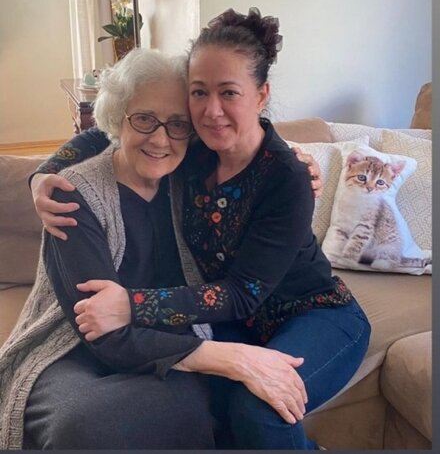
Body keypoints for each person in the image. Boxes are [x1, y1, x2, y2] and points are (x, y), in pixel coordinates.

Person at [31, 8, 371, 450]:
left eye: (229, 92)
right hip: (228, 324)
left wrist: (132, 305)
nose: (212, 111)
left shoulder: (285, 176)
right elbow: (116, 123)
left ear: (261, 95)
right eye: (199, 93)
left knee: (259, 409)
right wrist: (43, 173)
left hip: (310, 313)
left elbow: (242, 293)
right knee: (210, 401)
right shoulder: (193, 150)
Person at [0, 49, 311, 450]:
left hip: (168, 343)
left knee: (182, 407)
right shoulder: (74, 194)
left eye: (177, 124)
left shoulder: (192, 177)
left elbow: (251, 145)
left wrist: (296, 163)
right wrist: (228, 357)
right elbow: (102, 331)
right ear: (118, 117)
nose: (160, 139)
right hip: (73, 349)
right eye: (144, 119)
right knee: (79, 425)